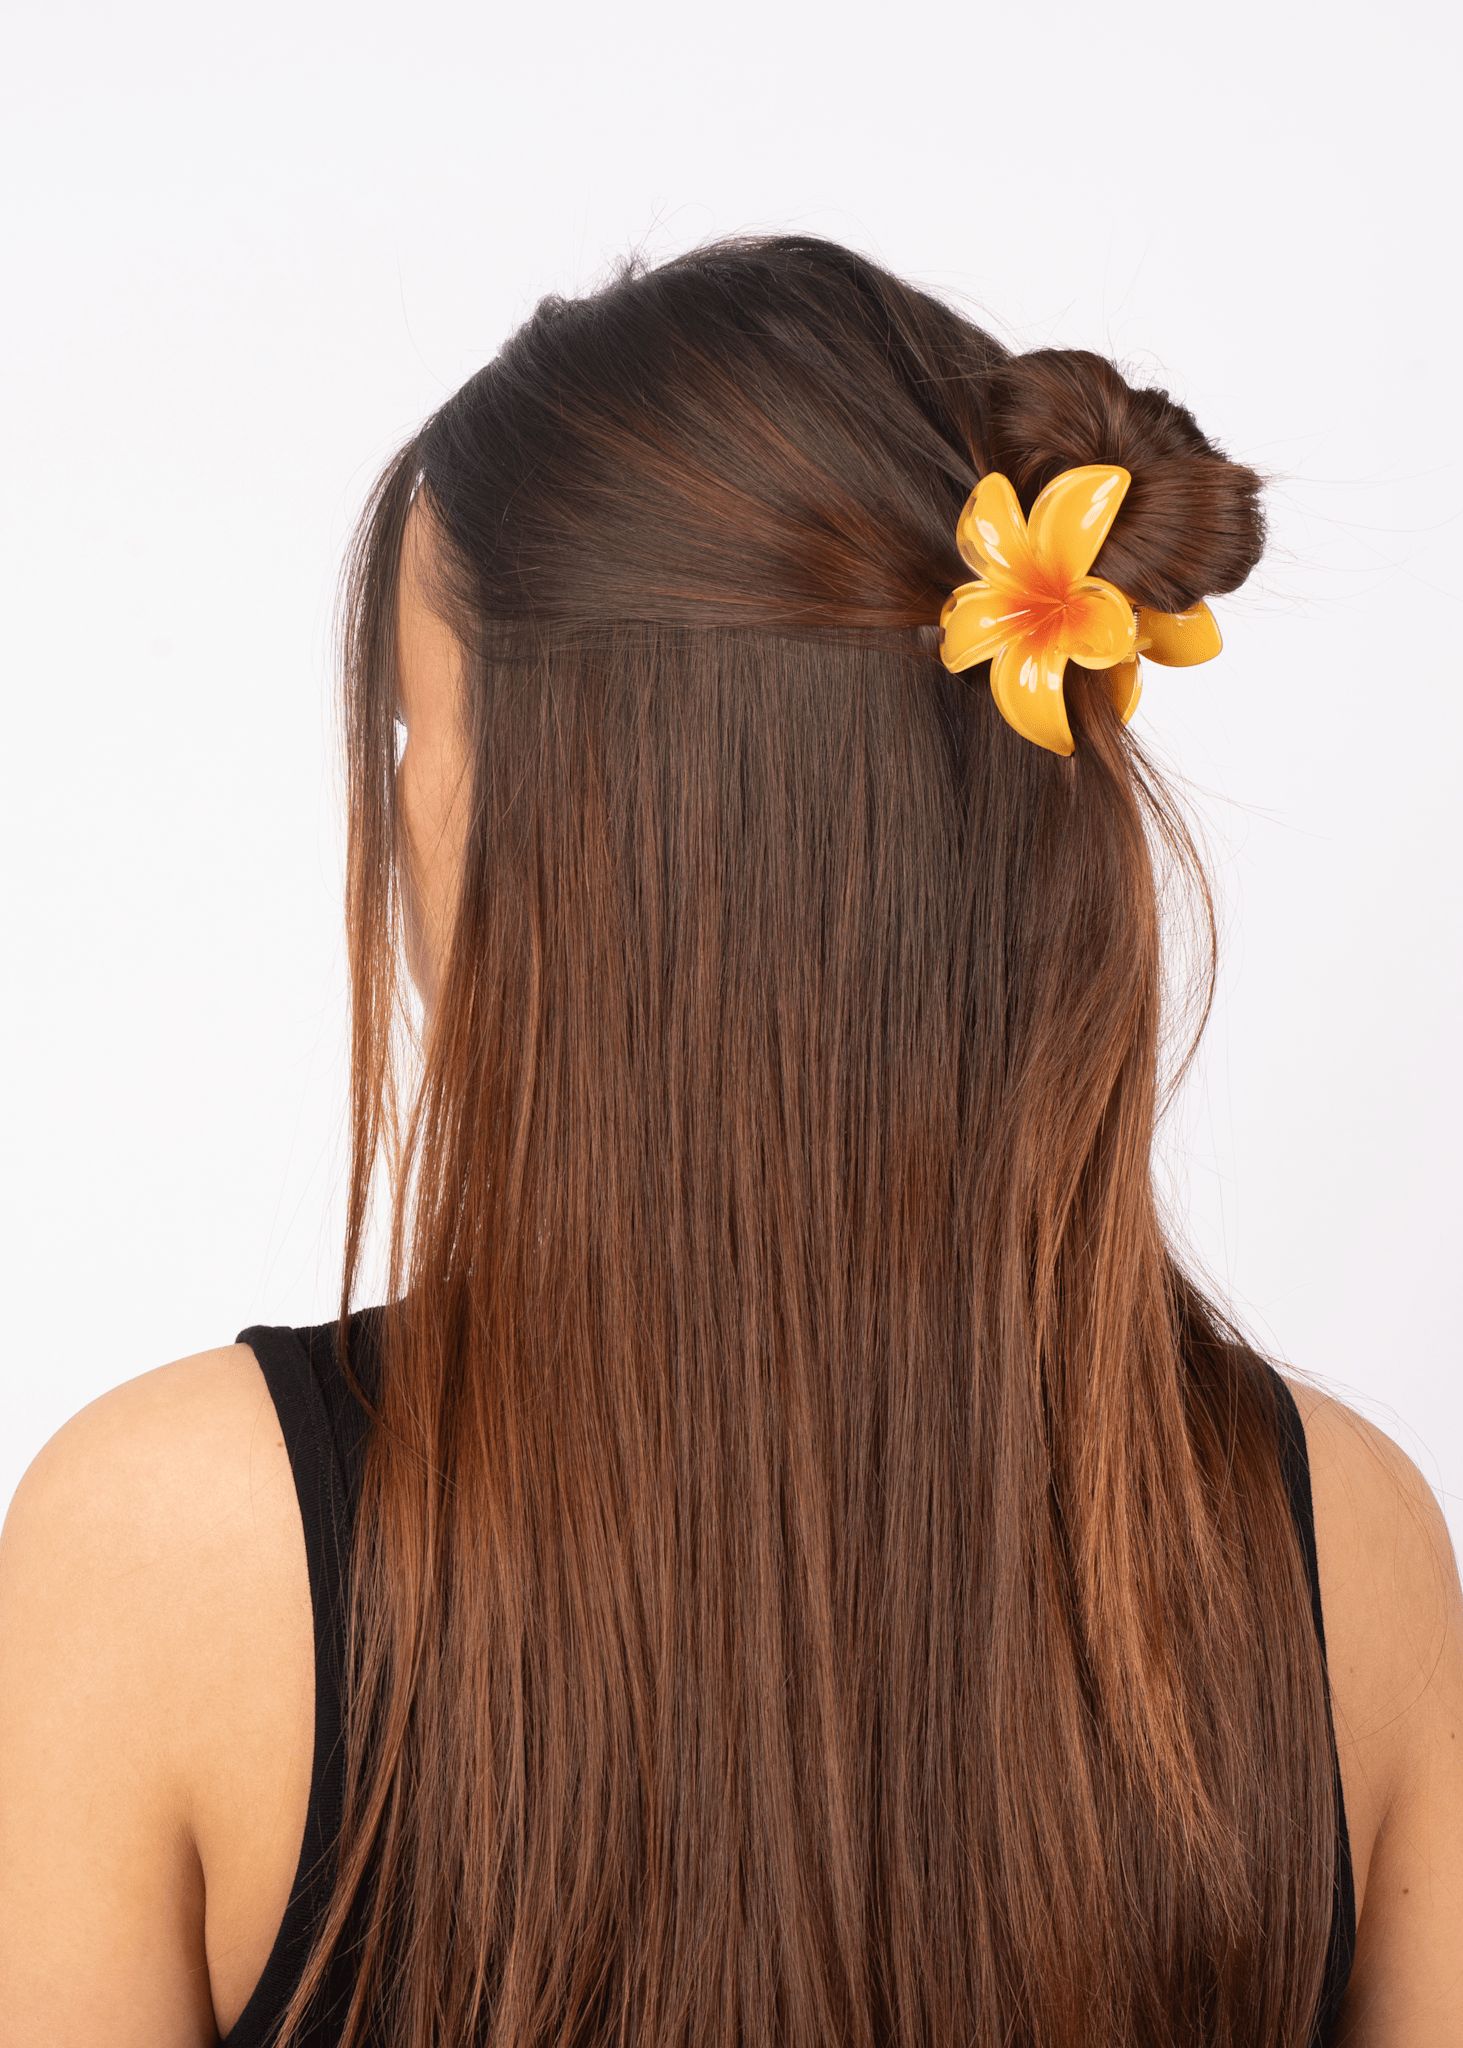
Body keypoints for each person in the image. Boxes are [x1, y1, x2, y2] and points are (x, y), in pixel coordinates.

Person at [0, 236, 1458, 2048]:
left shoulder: (168, 1550)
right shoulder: (1343, 1552)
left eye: (416, 724)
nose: (397, 808)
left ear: (580, 811)